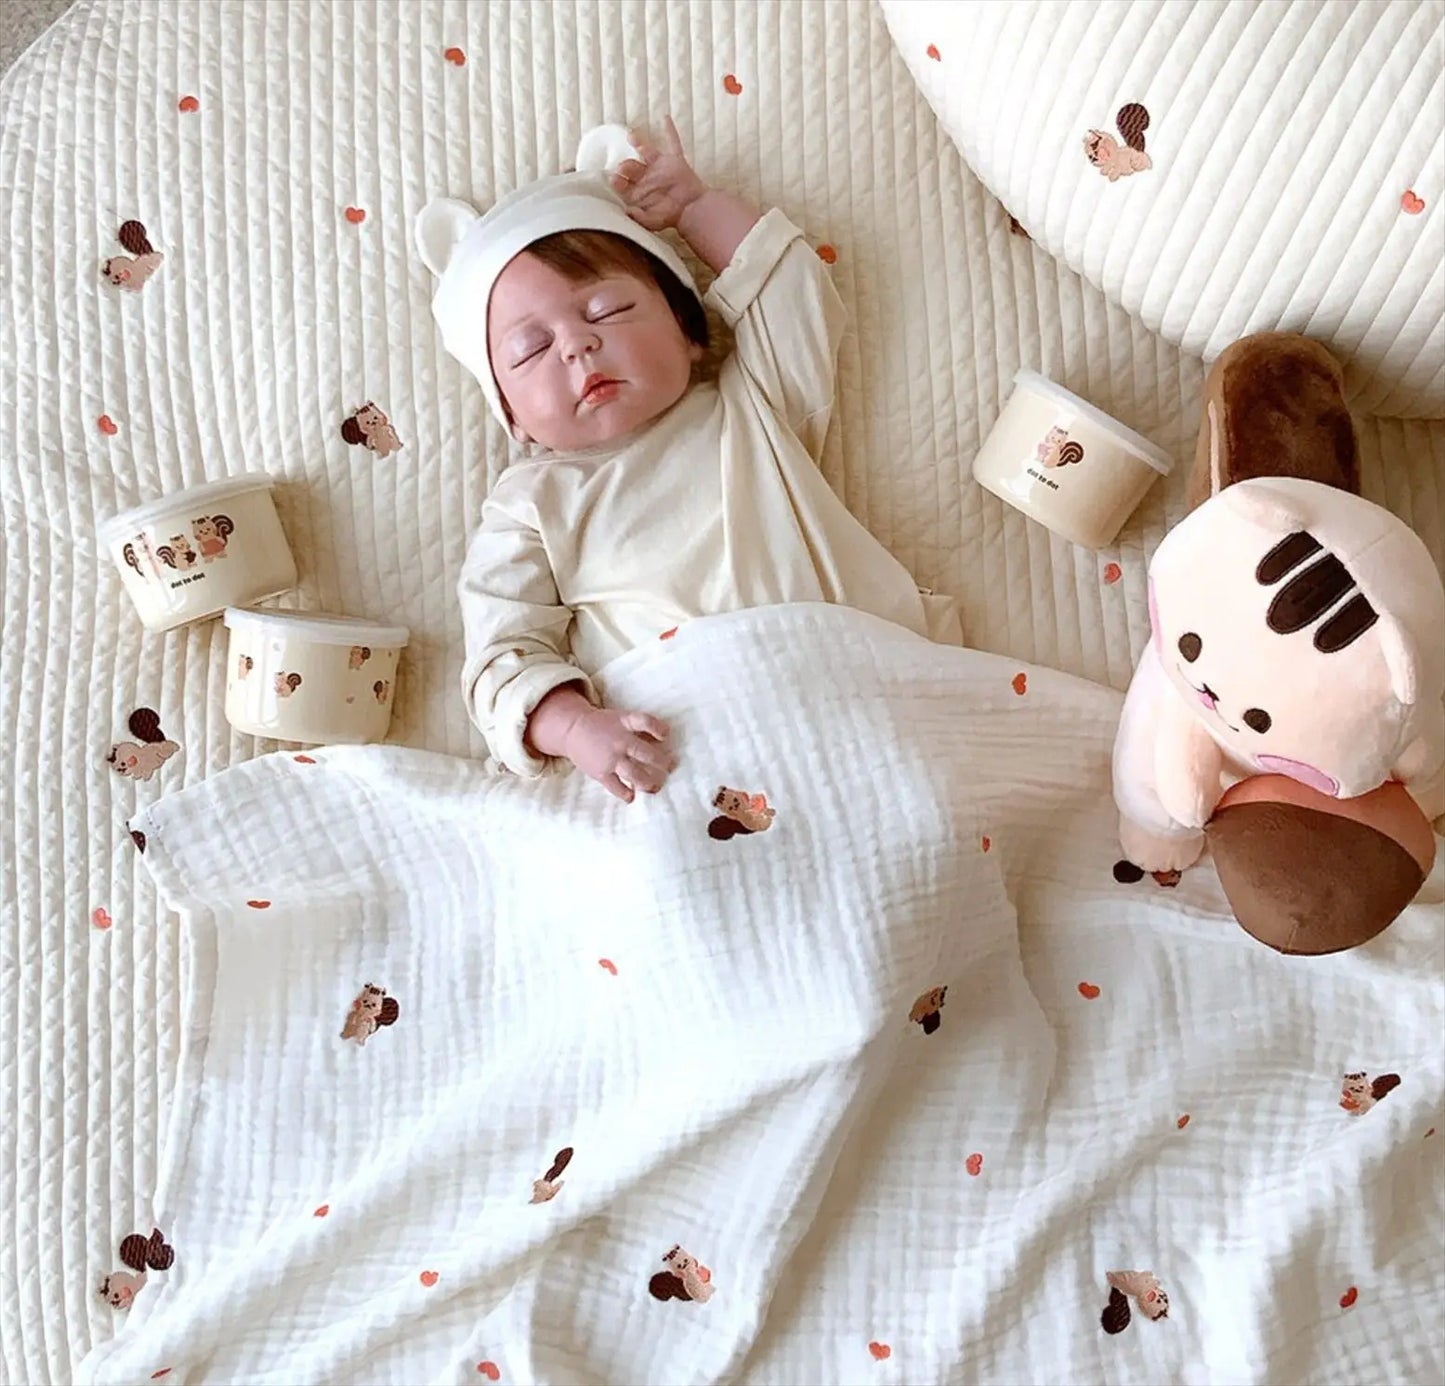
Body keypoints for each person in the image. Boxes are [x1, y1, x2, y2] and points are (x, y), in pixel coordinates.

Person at [417, 119, 959, 802]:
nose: (577, 347)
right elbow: (501, 655)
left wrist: (695, 210)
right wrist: (575, 726)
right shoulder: (528, 504)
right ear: (512, 416)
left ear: (690, 332)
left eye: (607, 309)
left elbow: (791, 291)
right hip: (675, 751)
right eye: (529, 350)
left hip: (848, 704)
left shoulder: (752, 405)